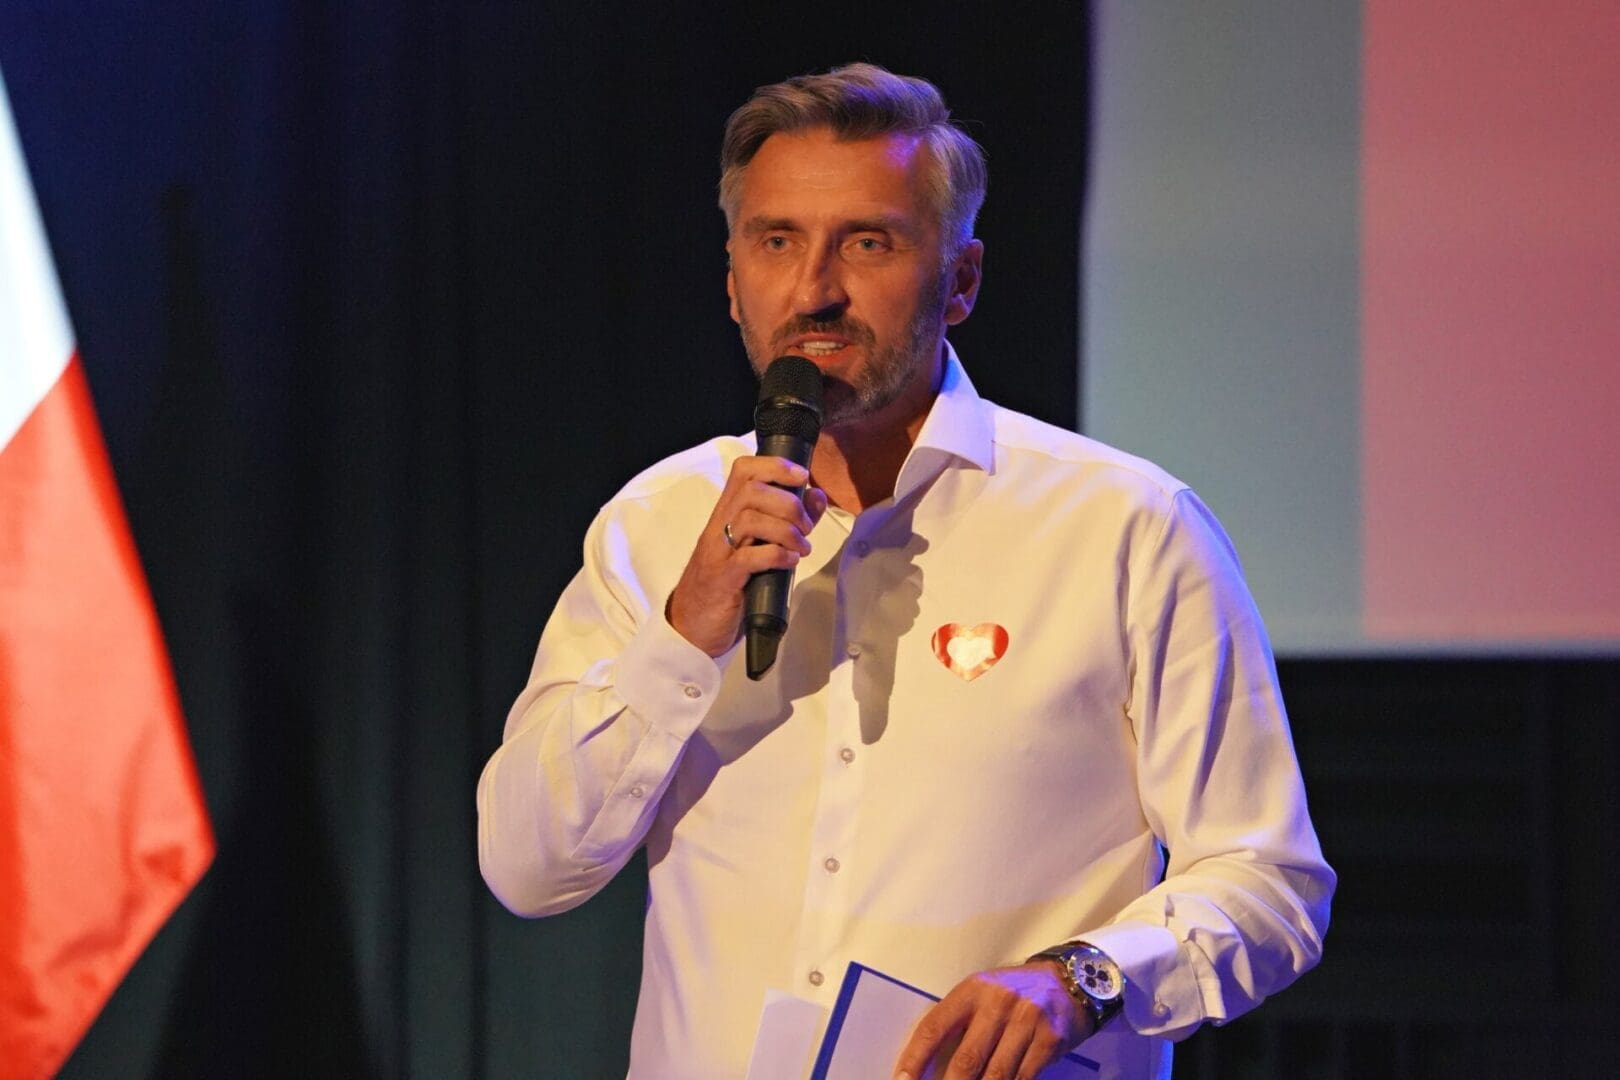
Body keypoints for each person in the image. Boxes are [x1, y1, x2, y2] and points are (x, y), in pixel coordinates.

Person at [477, 63, 1333, 1079]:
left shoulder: (1125, 527)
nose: (815, 290)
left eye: (868, 243)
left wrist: (1085, 979)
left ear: (960, 280)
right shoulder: (655, 524)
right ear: (732, 281)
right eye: (777, 240)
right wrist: (684, 631)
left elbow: (1267, 881)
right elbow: (529, 868)